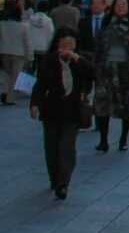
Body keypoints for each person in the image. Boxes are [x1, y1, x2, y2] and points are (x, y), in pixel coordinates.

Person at [30, 29, 94, 200]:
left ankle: (63, 183)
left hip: (72, 111)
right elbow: (40, 85)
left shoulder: (79, 61)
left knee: (67, 147)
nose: (66, 49)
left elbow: (93, 73)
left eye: (70, 46)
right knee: (51, 147)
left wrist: (77, 58)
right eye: (63, 45)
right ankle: (54, 177)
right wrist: (35, 104)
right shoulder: (49, 61)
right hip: (51, 110)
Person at [92, 0, 129, 153]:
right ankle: (103, 140)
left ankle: (123, 138)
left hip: (128, 71)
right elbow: (98, 45)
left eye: (123, 4)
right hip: (107, 69)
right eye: (118, 4)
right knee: (102, 104)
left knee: (128, 105)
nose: (120, 7)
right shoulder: (107, 23)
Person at [0, 2, 32, 104]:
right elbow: (27, 42)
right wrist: (30, 57)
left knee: (8, 73)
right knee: (15, 76)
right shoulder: (24, 26)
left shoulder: (3, 24)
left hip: (4, 52)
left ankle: (5, 92)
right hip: (19, 54)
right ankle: (10, 98)